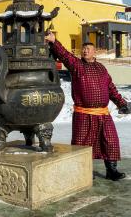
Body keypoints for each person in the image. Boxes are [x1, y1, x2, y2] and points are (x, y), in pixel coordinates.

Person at [45, 32, 130, 181]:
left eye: (88, 49)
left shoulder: (102, 69)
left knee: (110, 140)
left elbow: (111, 88)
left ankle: (112, 170)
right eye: (83, 49)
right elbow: (65, 55)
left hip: (103, 114)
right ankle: (83, 171)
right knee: (82, 144)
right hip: (83, 114)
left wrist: (121, 103)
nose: (85, 51)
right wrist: (54, 41)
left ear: (94, 52)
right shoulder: (76, 65)